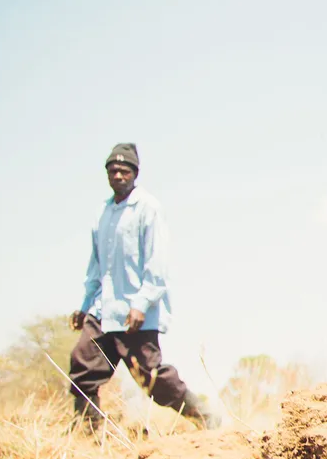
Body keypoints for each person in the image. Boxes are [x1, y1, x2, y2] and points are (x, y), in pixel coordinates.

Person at [67, 143, 216, 432]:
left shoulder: (148, 208)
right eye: (113, 171)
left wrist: (141, 303)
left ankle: (206, 417)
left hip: (134, 315)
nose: (118, 176)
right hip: (103, 310)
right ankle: (88, 431)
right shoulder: (102, 213)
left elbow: (157, 263)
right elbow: (96, 267)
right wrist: (85, 308)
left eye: (124, 171)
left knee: (152, 378)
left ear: (135, 174)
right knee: (83, 367)